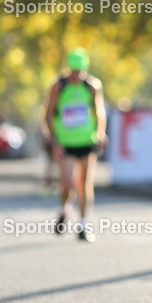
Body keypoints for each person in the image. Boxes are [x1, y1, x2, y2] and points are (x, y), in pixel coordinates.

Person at [43, 48, 107, 242]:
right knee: (68, 183)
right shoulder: (58, 86)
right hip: (65, 142)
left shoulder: (92, 86)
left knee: (85, 184)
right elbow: (48, 114)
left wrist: (101, 133)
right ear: (68, 69)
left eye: (80, 72)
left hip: (87, 140)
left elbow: (99, 111)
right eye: (74, 71)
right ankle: (64, 208)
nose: (77, 76)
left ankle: (84, 225)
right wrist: (54, 140)